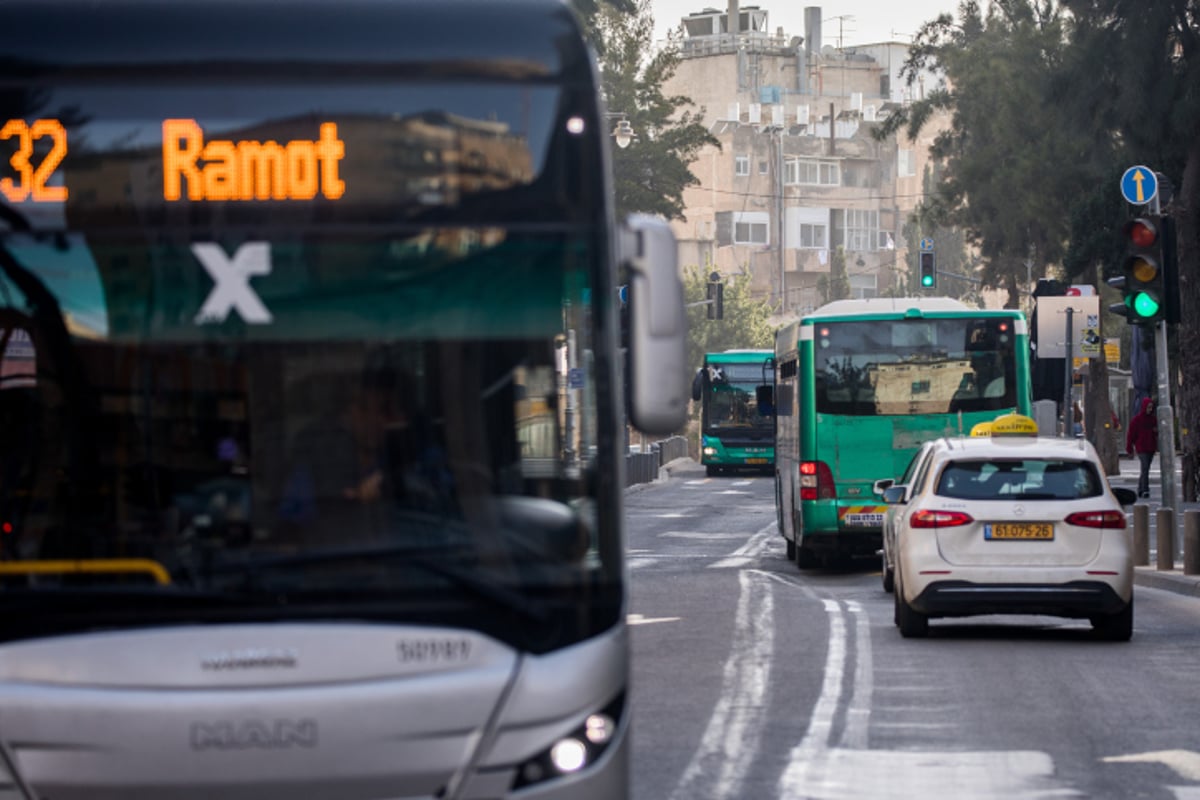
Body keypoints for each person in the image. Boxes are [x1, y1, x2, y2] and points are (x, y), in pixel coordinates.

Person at [1126, 397, 1158, 499]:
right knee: (1145, 469)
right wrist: (1129, 448)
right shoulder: (1137, 420)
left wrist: (1156, 432)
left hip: (1151, 447)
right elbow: (1131, 435)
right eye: (1148, 407)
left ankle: (1140, 489)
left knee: (1145, 469)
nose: (1150, 409)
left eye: (1151, 407)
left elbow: (1156, 432)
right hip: (1142, 448)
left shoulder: (1153, 420)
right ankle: (1145, 490)